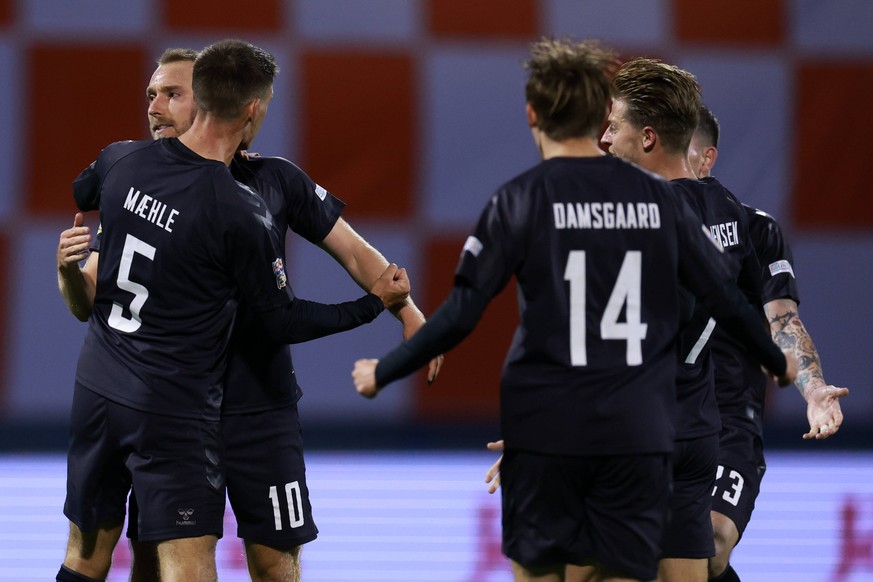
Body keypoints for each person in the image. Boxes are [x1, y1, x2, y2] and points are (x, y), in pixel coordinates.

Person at [351, 38, 794, 582]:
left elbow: (470, 310)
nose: (610, 136)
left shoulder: (527, 199)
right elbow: (724, 300)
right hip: (671, 429)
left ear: (533, 113)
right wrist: (777, 359)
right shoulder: (686, 205)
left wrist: (387, 370)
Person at [56, 47, 442, 582]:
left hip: (254, 407)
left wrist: (410, 312)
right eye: (152, 95)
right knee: (156, 559)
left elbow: (357, 253)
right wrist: (70, 272)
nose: (156, 108)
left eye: (173, 94)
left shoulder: (273, 181)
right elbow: (95, 290)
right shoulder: (155, 175)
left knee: (273, 562)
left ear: (212, 101)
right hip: (179, 408)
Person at [689, 105, 848, 582]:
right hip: (652, 417)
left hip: (726, 421)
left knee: (712, 543)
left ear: (707, 157)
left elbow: (783, 320)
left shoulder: (754, 229)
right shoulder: (634, 228)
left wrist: (814, 388)